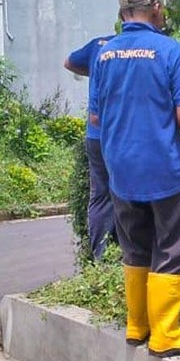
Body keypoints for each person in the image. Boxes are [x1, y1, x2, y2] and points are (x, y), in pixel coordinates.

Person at [88, 0, 180, 357]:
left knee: (135, 245)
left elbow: (96, 117)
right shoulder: (170, 51)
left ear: (122, 13)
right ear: (157, 8)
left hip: (120, 170)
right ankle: (166, 333)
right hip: (163, 168)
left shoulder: (104, 55)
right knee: (173, 246)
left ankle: (136, 325)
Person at [64, 33, 116, 260]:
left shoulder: (98, 44)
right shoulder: (139, 47)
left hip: (95, 135)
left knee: (101, 195)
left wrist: (92, 73)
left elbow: (69, 62)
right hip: (121, 134)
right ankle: (131, 254)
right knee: (130, 192)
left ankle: (100, 256)